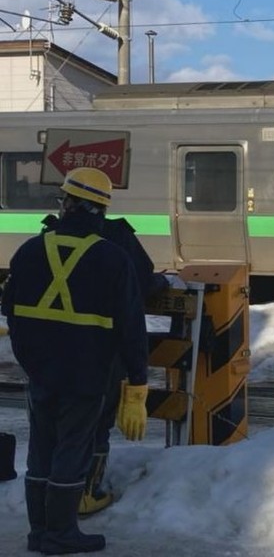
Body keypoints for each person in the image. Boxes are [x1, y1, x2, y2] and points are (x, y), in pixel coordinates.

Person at [1, 166, 150, 554]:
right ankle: (62, 533)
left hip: (41, 373)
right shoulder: (113, 259)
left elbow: (10, 310)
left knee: (40, 451)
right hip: (87, 375)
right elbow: (132, 327)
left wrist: (30, 358)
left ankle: (39, 533)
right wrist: (137, 381)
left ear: (67, 204)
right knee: (72, 449)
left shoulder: (30, 250)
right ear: (100, 211)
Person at [39, 171, 168, 516]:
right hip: (99, 356)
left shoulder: (48, 237)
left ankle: (48, 507)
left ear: (70, 203)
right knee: (94, 428)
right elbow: (141, 287)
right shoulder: (117, 240)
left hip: (49, 357)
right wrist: (138, 379)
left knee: (53, 431)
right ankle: (85, 493)